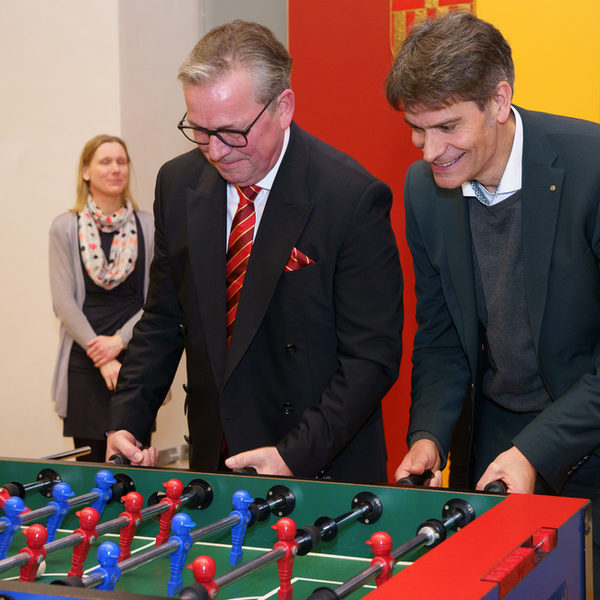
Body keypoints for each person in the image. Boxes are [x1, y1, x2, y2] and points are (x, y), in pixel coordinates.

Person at [106, 20, 403, 483]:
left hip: (318, 467)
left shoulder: (350, 197)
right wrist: (128, 419)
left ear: (283, 108)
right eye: (199, 130)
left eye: (231, 132)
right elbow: (163, 319)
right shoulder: (178, 183)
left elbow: (371, 358)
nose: (215, 151)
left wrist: (294, 456)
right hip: (215, 460)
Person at [386, 11, 600, 596]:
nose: (430, 151)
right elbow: (441, 336)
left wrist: (536, 450)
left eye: (447, 126)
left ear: (499, 101)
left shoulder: (591, 168)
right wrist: (428, 436)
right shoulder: (423, 191)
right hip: (494, 450)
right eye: (416, 130)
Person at [50, 135, 154, 462]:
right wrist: (103, 356)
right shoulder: (64, 227)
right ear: (85, 172)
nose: (115, 169)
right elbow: (63, 303)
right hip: (85, 361)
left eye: (121, 162)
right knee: (90, 466)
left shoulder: (149, 226)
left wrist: (119, 342)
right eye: (105, 162)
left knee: (132, 465)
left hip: (134, 359)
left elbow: (157, 300)